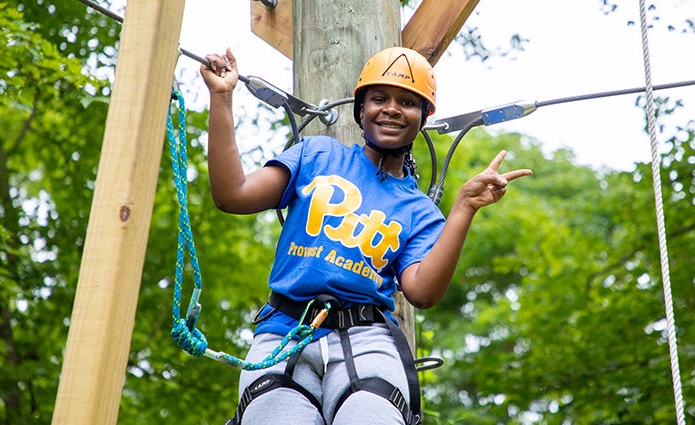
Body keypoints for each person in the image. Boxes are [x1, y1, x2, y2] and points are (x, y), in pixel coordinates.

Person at [201, 46, 532, 425]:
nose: (391, 108)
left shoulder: (419, 211)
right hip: (285, 331)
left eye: (408, 102)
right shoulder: (316, 155)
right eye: (379, 98)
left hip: (367, 341)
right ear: (361, 109)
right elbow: (233, 195)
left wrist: (464, 209)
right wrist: (222, 98)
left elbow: (422, 292)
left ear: (423, 117)